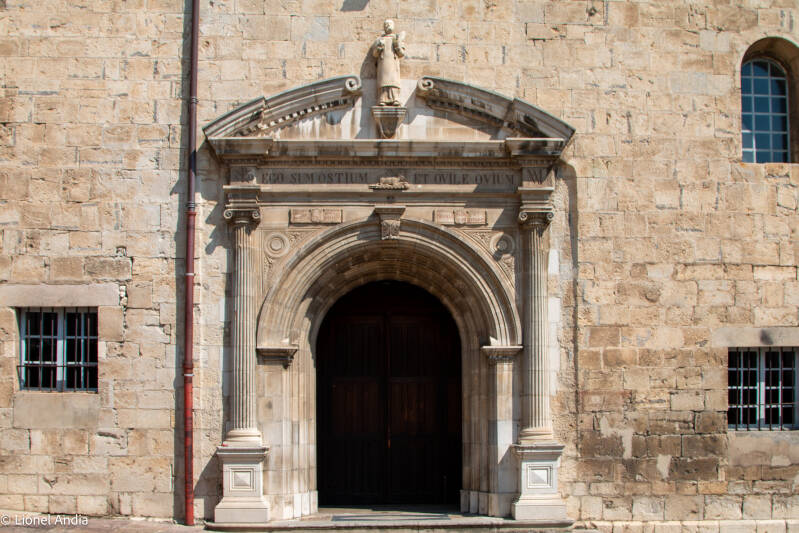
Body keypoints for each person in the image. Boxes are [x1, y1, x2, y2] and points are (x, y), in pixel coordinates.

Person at [372, 19, 406, 106]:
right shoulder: (379, 40)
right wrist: (379, 46)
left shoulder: (397, 39)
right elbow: (375, 54)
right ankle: (382, 98)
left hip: (393, 64)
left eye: (390, 24)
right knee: (383, 80)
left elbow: (401, 53)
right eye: (386, 24)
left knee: (393, 80)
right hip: (383, 63)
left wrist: (397, 46)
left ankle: (395, 98)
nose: (388, 26)